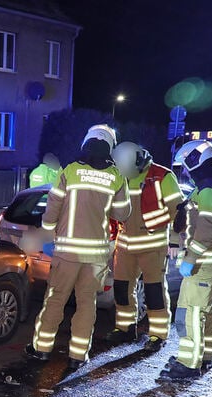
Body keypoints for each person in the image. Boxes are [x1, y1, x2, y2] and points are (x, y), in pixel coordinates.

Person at [25, 124, 131, 370]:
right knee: (87, 304)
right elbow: (123, 212)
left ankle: (42, 349)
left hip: (67, 253)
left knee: (55, 300)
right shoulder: (116, 177)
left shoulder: (70, 171)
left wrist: (48, 232)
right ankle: (78, 355)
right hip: (95, 256)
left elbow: (52, 206)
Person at [158, 140, 212, 381]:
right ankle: (203, 356)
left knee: (189, 312)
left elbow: (207, 228)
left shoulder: (210, 186)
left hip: (205, 261)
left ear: (197, 159)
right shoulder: (211, 183)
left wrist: (190, 257)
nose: (186, 170)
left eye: (187, 164)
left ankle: (188, 364)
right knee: (205, 311)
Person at [107, 141, 184, 350]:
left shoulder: (163, 176)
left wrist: (175, 241)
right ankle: (125, 328)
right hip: (124, 246)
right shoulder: (119, 175)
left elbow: (179, 211)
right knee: (122, 290)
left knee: (154, 292)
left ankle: (158, 335)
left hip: (153, 246)